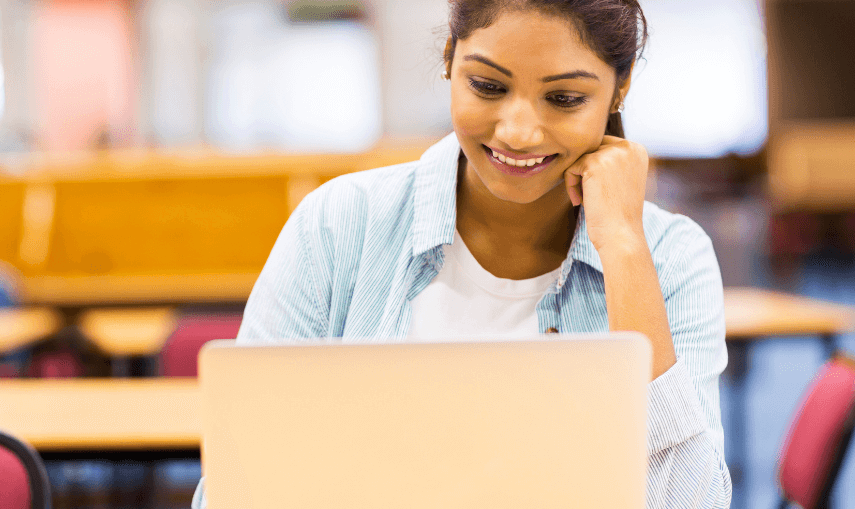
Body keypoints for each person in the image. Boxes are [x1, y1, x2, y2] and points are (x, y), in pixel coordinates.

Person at [194, 0, 731, 507]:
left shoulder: (668, 257)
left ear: (620, 89)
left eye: (564, 99)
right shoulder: (340, 224)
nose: (518, 132)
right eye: (488, 86)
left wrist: (623, 245)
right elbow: (233, 484)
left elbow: (691, 501)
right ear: (450, 59)